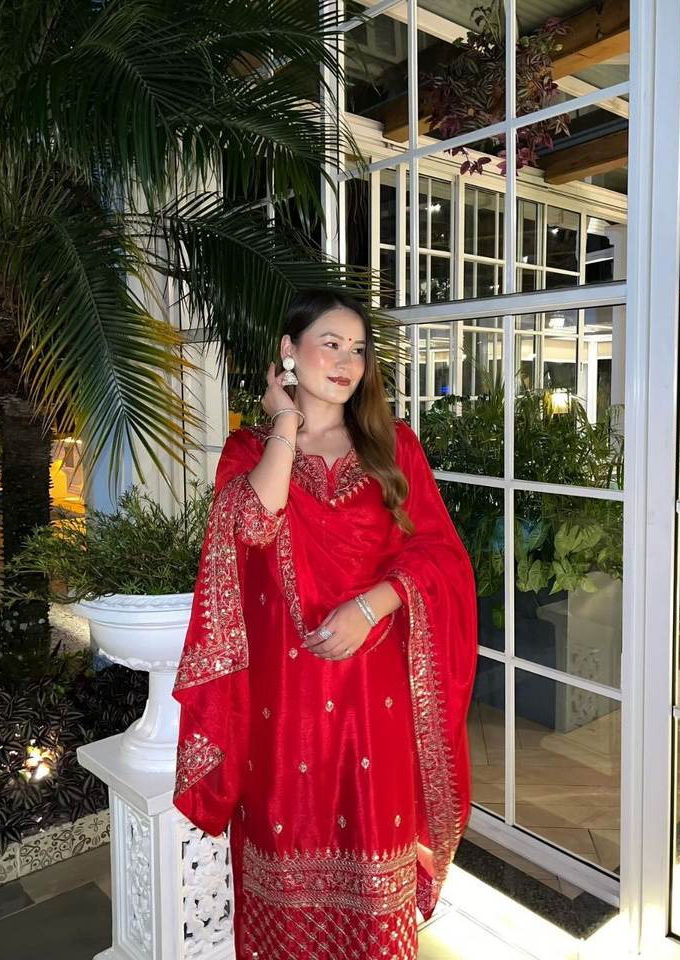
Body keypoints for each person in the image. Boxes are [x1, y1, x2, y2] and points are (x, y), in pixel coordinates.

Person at [172, 289, 478, 959]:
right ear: (290, 350)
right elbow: (253, 524)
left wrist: (373, 604)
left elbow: (440, 557)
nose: (346, 362)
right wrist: (284, 421)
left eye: (358, 350)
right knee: (284, 844)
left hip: (374, 694)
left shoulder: (393, 447)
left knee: (374, 851)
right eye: (330, 344)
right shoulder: (248, 449)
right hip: (284, 704)